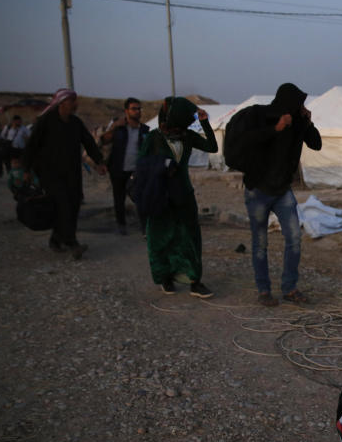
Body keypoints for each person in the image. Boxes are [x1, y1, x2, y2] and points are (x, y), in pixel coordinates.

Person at [236, 83, 321, 306]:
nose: (299, 106)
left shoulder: (298, 122)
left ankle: (290, 288)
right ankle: (264, 290)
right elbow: (247, 141)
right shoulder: (263, 117)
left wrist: (308, 122)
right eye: (297, 102)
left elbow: (317, 144)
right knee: (260, 243)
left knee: (294, 238)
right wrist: (276, 128)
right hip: (258, 190)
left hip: (283, 191)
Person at [137, 96, 217, 298]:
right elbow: (141, 165)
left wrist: (205, 121)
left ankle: (195, 281)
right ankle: (165, 277)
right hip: (160, 195)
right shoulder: (153, 138)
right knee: (161, 237)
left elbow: (212, 147)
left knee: (190, 237)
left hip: (184, 194)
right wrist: (161, 166)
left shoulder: (188, 136)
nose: (189, 121)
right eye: (186, 117)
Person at [23, 89, 107, 260]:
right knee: (63, 205)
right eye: (71, 101)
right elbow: (32, 146)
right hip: (50, 174)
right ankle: (72, 243)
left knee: (74, 205)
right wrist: (26, 169)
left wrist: (99, 162)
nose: (75, 104)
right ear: (61, 103)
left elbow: (89, 142)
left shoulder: (76, 123)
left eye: (75, 101)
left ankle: (56, 239)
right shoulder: (46, 121)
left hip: (73, 173)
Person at [100, 97, 149, 235]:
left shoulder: (144, 130)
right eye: (134, 109)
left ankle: (145, 228)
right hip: (118, 169)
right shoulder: (118, 128)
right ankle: (121, 225)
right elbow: (103, 141)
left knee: (140, 198)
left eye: (139, 109)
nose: (137, 111)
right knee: (119, 198)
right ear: (126, 111)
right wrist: (114, 127)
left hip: (136, 171)